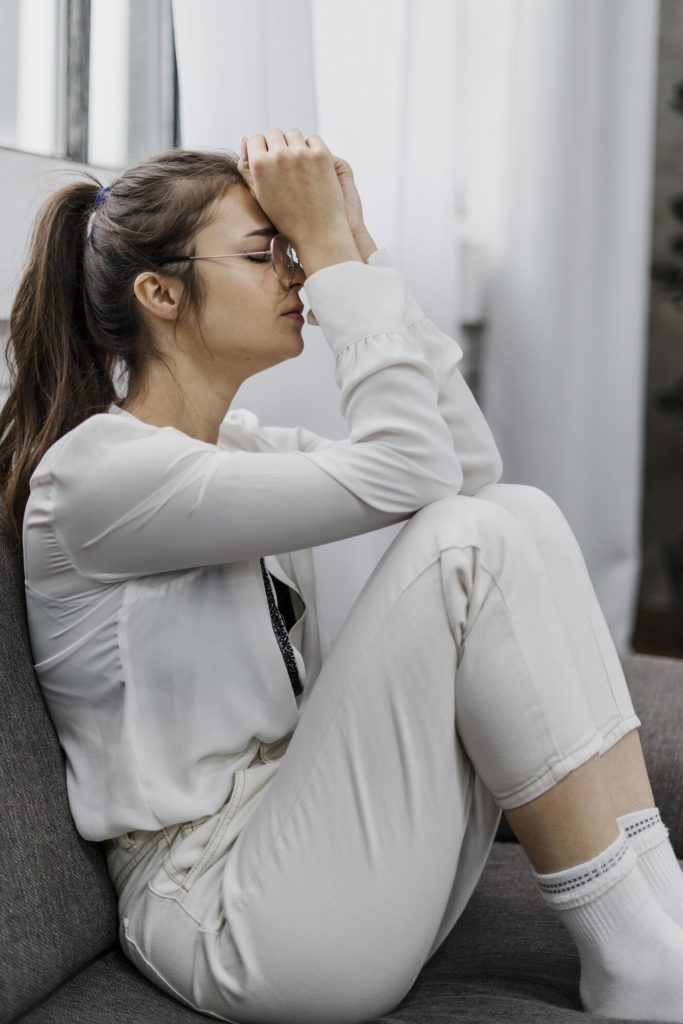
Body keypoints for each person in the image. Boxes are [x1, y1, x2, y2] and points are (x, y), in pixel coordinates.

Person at [3, 126, 682, 1024]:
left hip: (306, 853)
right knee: (466, 543)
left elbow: (464, 467)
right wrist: (333, 258)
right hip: (223, 914)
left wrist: (358, 247)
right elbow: (415, 478)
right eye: (265, 253)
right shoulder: (98, 476)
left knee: (516, 514)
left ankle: (654, 923)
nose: (294, 276)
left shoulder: (241, 451)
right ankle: (646, 967)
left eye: (292, 252)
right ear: (160, 292)